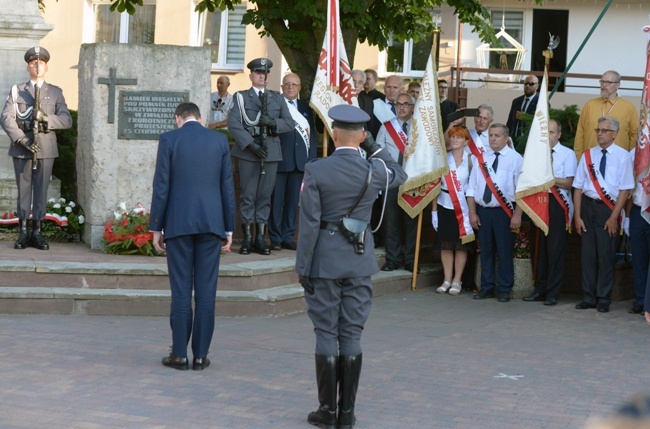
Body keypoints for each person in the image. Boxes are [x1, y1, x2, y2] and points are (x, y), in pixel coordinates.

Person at [296, 105, 407, 429]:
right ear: (361, 135)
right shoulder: (373, 170)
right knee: (352, 333)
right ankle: (347, 414)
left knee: (326, 333)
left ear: (332, 133)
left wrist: (303, 267)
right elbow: (399, 175)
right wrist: (373, 147)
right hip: (359, 261)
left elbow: (310, 224)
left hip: (325, 262)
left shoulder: (317, 170)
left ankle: (327, 411)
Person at [150, 102, 236, 371]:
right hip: (212, 224)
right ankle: (200, 355)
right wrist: (228, 228)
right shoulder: (219, 141)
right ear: (200, 118)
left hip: (178, 223)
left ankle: (179, 354)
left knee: (181, 291)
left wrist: (156, 227)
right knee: (207, 292)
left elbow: (161, 186)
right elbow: (227, 186)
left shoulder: (169, 139)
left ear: (178, 118)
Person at [0, 46, 72, 251]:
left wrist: (46, 118)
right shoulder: (17, 90)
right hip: (22, 147)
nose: (36, 66)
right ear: (28, 66)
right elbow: (6, 117)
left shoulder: (55, 92)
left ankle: (37, 232)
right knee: (23, 191)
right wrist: (21, 139)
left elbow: (67, 120)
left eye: (40, 63)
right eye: (33, 62)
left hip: (46, 148)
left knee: (41, 191)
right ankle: (23, 232)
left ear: (46, 67)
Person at [228, 58, 294, 255]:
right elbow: (234, 124)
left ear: (268, 76)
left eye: (264, 73)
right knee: (248, 196)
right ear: (251, 76)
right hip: (249, 153)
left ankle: (260, 238)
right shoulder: (241, 97)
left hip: (271, 152)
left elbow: (289, 123)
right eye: (258, 73)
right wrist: (251, 144)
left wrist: (273, 122)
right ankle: (248, 238)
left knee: (265, 196)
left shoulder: (277, 98)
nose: (261, 76)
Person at [573, 116, 634, 313]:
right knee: (588, 255)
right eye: (597, 130)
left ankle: (603, 297)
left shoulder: (623, 156)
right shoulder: (588, 155)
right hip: (588, 207)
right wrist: (577, 216)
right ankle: (588, 296)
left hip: (609, 209)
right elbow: (578, 188)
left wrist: (613, 217)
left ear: (614, 134)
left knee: (606, 255)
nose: (599, 133)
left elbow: (625, 190)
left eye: (604, 130)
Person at [466, 123, 524, 302]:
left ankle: (505, 288)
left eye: (497, 136)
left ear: (506, 138)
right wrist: (473, 213)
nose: (492, 139)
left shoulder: (516, 159)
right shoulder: (481, 158)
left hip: (504, 212)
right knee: (486, 250)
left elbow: (522, 191)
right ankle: (487, 286)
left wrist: (517, 215)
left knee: (505, 251)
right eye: (491, 135)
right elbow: (471, 188)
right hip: (483, 211)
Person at [522, 120, 576, 306]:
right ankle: (539, 289)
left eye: (552, 132)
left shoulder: (567, 154)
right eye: (546, 133)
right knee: (539, 249)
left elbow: (569, 182)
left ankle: (553, 292)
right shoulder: (536, 154)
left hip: (556, 204)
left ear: (559, 134)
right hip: (538, 203)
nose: (549, 136)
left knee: (555, 250)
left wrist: (549, 177)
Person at [269, 73, 316, 251]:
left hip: (299, 163)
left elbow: (311, 137)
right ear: (282, 87)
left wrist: (309, 160)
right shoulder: (275, 105)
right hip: (279, 161)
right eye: (287, 84)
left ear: (299, 87)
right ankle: (274, 237)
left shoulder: (306, 108)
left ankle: (288, 236)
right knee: (276, 201)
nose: (290, 87)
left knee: (292, 202)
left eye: (294, 84)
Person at [376, 92, 418, 272]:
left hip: (413, 181)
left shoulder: (419, 128)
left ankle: (410, 260)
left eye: (406, 104)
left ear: (412, 107)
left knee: (411, 223)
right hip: (392, 180)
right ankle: (392, 259)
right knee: (391, 221)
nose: (401, 107)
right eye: (399, 104)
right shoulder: (386, 127)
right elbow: (377, 151)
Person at [432, 125, 475, 295]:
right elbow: (435, 186)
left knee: (460, 246)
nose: (454, 140)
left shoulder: (471, 161)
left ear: (466, 141)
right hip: (444, 205)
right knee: (446, 244)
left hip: (462, 208)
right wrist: (434, 212)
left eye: (458, 137)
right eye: (452, 137)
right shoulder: (443, 159)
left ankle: (457, 280)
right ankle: (447, 279)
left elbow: (473, 186)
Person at [574, 71, 638, 160]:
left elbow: (635, 135)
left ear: (618, 85)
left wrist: (631, 158)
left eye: (608, 82)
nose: (604, 85)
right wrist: (579, 157)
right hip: (591, 160)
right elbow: (580, 133)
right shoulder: (590, 105)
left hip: (619, 160)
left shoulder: (628, 107)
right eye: (602, 82)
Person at [626, 148, 650, 316]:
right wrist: (627, 217)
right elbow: (628, 187)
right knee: (639, 258)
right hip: (637, 210)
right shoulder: (635, 152)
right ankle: (640, 300)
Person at [506, 74, 539, 140]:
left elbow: (541, 123)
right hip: (514, 140)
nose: (527, 86)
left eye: (531, 84)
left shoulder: (541, 102)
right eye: (526, 83)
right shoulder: (516, 101)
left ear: (537, 86)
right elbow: (510, 122)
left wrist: (526, 118)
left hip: (530, 141)